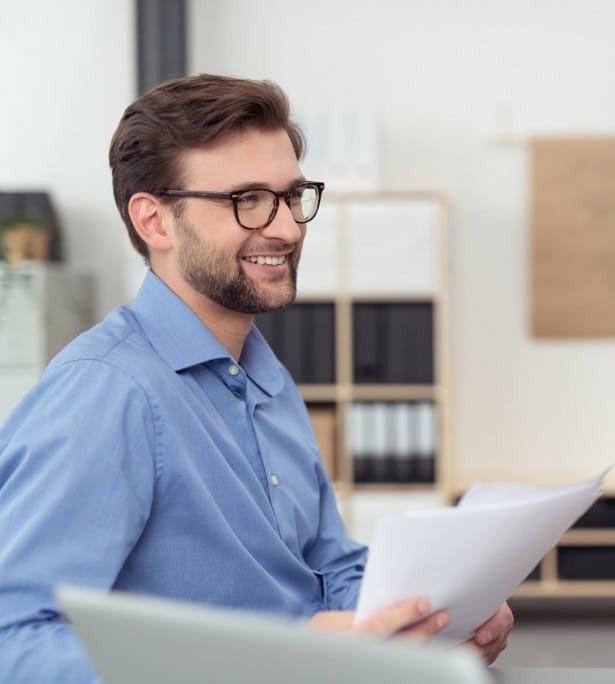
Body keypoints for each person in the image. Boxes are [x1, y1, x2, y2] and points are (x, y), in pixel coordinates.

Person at [0, 74, 512, 683]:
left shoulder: (265, 377)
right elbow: (15, 643)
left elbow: (326, 569)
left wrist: (436, 619)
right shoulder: (107, 393)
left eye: (293, 196)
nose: (289, 228)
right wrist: (281, 655)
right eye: (247, 200)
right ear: (154, 222)